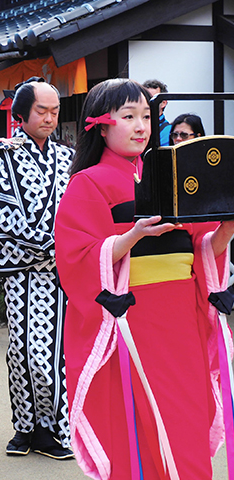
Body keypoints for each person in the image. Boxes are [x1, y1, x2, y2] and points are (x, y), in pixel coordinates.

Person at [54, 78, 234, 479]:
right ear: (102, 126)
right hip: (134, 319)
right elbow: (76, 257)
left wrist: (228, 229)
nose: (141, 126)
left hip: (182, 317)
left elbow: (200, 248)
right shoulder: (88, 183)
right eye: (128, 116)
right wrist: (130, 237)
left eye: (146, 116)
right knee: (142, 420)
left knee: (186, 411)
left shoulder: (170, 175)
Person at [0, 77, 73, 459]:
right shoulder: (3, 154)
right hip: (25, 270)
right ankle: (25, 426)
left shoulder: (68, 156)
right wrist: (46, 247)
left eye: (55, 111)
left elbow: (78, 211)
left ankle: (53, 429)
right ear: (21, 115)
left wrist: (67, 249)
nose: (49, 118)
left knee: (57, 354)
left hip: (62, 273)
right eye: (41, 111)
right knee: (27, 351)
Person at [142, 79, 171, 146]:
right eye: (144, 98)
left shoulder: (168, 131)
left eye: (152, 99)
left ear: (164, 103)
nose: (147, 102)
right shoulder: (135, 125)